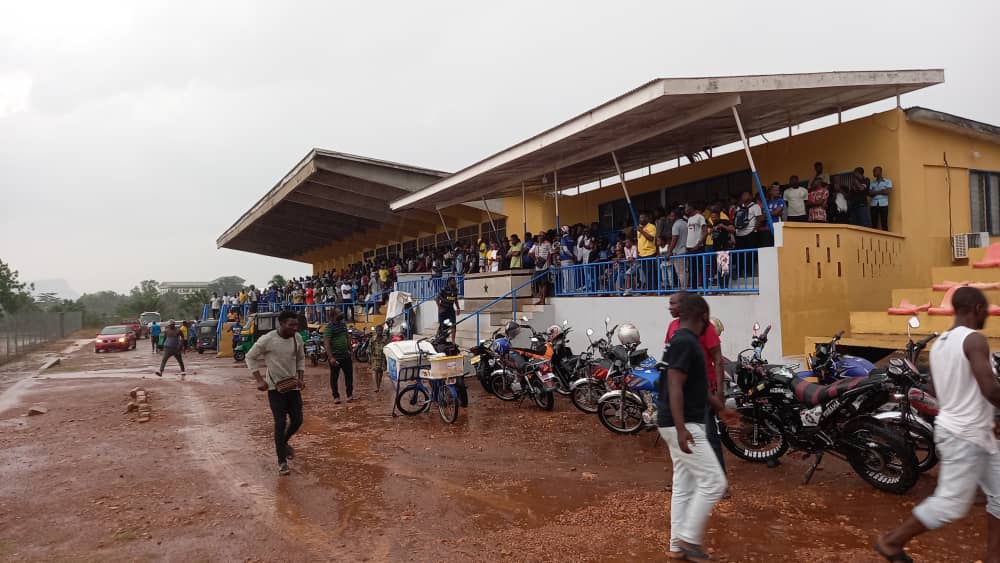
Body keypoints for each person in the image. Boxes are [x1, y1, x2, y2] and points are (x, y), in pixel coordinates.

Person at [877, 287, 1000, 563]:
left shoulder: (941, 344)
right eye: (986, 310)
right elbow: (990, 390)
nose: (987, 316)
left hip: (973, 432)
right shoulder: (974, 339)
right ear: (977, 309)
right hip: (964, 436)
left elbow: (935, 388)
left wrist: (984, 417)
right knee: (951, 504)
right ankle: (891, 542)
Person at [659, 293, 740, 560]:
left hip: (678, 422)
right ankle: (689, 540)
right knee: (714, 483)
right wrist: (681, 428)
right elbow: (674, 384)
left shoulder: (685, 341)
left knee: (684, 485)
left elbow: (698, 386)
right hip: (683, 423)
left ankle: (675, 545)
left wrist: (720, 408)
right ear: (703, 317)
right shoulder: (685, 342)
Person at [665, 293, 728, 492]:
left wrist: (719, 392)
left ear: (685, 307)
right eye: (669, 303)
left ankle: (720, 482)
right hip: (682, 391)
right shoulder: (672, 328)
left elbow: (718, 359)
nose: (670, 307)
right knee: (682, 436)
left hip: (704, 389)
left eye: (673, 303)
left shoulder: (705, 328)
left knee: (709, 435)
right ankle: (684, 482)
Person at [245, 309, 305, 476]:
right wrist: (258, 380)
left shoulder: (297, 338)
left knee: (298, 420)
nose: (295, 328)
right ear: (281, 323)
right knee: (280, 423)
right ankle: (282, 461)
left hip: (292, 387)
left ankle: (282, 443)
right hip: (274, 388)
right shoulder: (267, 340)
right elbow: (250, 357)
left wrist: (301, 377)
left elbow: (301, 358)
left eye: (296, 325)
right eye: (291, 325)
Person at [323, 308, 353, 404]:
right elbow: (327, 344)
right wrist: (331, 357)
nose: (341, 314)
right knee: (334, 377)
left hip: (345, 355)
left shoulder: (343, 325)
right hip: (335, 357)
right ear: (333, 316)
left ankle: (349, 395)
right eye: (339, 313)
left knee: (349, 376)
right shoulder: (329, 328)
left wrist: (350, 351)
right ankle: (336, 396)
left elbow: (347, 338)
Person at [436, 276, 460, 342]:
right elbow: (437, 299)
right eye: (453, 281)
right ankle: (437, 337)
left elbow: (455, 299)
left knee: (453, 325)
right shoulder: (444, 289)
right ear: (449, 282)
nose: (455, 282)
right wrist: (439, 307)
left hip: (451, 309)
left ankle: (453, 341)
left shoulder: (455, 290)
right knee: (442, 326)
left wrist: (458, 308)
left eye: (455, 281)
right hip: (443, 309)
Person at [870, 166, 893, 231]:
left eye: (875, 171)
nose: (873, 173)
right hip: (873, 205)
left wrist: (875, 192)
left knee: (884, 223)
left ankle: (886, 239)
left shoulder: (888, 181)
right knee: (874, 223)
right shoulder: (872, 182)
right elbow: (870, 193)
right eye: (873, 171)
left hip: (884, 205)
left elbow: (888, 192)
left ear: (880, 172)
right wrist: (881, 191)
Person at [533, 233, 553, 305]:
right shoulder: (536, 245)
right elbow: (535, 255)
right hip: (538, 266)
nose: (539, 237)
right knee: (539, 284)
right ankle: (540, 299)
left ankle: (543, 300)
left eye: (541, 236)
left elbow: (550, 254)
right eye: (539, 236)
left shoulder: (547, 243)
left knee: (544, 283)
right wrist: (536, 261)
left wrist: (549, 264)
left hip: (545, 266)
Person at [370, 324, 389, 393]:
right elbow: (371, 348)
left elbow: (387, 348)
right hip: (375, 357)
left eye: (381, 330)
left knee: (380, 372)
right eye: (378, 330)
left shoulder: (385, 339)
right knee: (376, 371)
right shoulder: (373, 339)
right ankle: (377, 386)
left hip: (382, 357)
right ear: (376, 331)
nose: (379, 332)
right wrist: (370, 358)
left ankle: (379, 385)